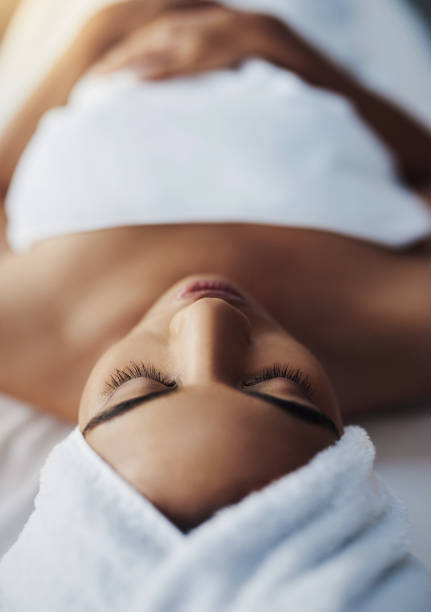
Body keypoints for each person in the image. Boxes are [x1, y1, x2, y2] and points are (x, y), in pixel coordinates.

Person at [0, 1, 431, 608]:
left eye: (136, 384)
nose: (206, 315)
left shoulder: (17, 328)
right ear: (345, 453)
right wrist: (281, 45)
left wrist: (92, 42)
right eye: (281, 385)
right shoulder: (407, 330)